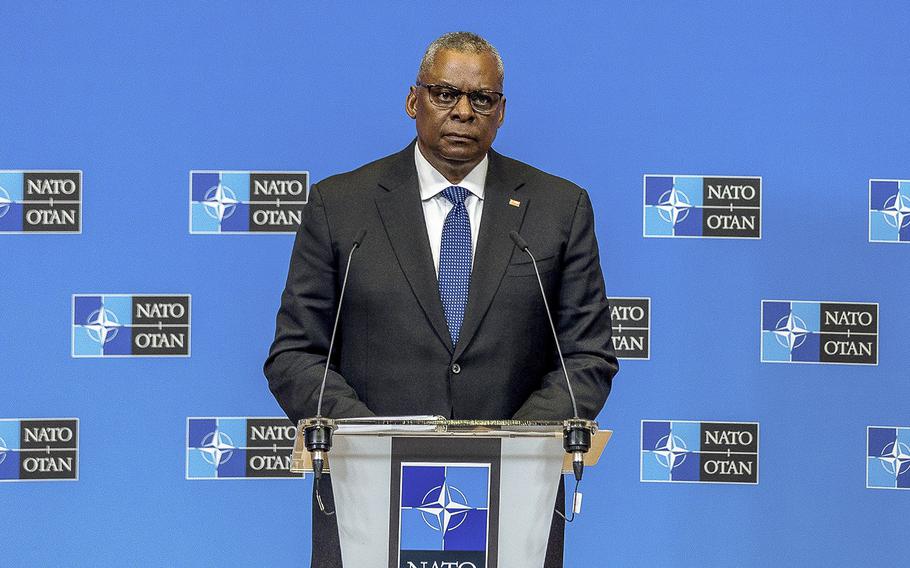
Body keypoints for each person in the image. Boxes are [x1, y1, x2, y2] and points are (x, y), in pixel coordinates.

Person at [264, 31, 618, 568]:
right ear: (413, 101)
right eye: (444, 93)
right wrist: (372, 441)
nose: (463, 112)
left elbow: (587, 358)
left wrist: (509, 447)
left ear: (501, 113)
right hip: (367, 494)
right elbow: (294, 355)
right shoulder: (342, 206)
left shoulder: (558, 209)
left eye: (482, 100)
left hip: (513, 499)